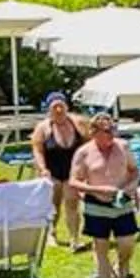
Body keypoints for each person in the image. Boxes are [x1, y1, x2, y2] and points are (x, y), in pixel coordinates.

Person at [67, 111, 140, 278]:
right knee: (100, 247)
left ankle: (122, 268)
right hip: (96, 204)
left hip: (121, 202)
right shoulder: (84, 152)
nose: (111, 134)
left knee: (127, 243)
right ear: (94, 132)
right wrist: (96, 189)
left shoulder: (123, 147)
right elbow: (74, 181)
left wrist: (129, 188)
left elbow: (135, 171)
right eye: (106, 131)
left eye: (113, 130)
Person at [31, 92, 86, 250]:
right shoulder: (43, 128)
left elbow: (87, 146)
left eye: (61, 106)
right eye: (55, 107)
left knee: (72, 204)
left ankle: (74, 238)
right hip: (52, 170)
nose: (59, 110)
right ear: (49, 109)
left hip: (72, 171)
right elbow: (38, 150)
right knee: (53, 205)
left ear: (66, 106)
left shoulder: (78, 124)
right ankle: (51, 233)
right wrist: (43, 169)